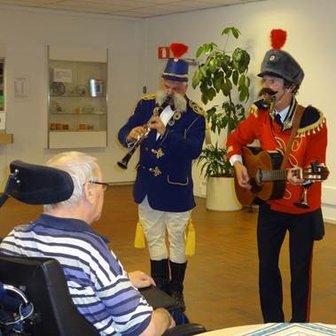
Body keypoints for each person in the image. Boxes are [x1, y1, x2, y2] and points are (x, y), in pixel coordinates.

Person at [0, 151, 175, 336]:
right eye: (103, 186)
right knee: (174, 315)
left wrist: (121, 281)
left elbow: (54, 288)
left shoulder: (14, 239)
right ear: (89, 192)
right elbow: (144, 332)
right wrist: (164, 315)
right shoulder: (89, 250)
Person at [226, 29, 328, 323]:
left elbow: (316, 166)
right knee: (267, 267)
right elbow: (234, 140)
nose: (266, 87)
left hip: (301, 209)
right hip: (270, 205)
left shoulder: (313, 121)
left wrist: (304, 177)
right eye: (265, 80)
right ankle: (273, 324)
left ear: (291, 87)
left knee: (300, 272)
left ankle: (299, 327)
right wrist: (238, 165)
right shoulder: (259, 114)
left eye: (273, 82)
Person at [118, 43, 206, 311]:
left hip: (176, 188)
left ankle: (176, 290)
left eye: (176, 85)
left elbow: (193, 150)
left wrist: (167, 134)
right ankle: (159, 288)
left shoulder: (195, 115)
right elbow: (125, 130)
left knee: (176, 239)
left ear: (185, 86)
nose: (170, 89)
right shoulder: (146, 105)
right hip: (147, 185)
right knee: (154, 238)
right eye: (167, 83)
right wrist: (129, 135)